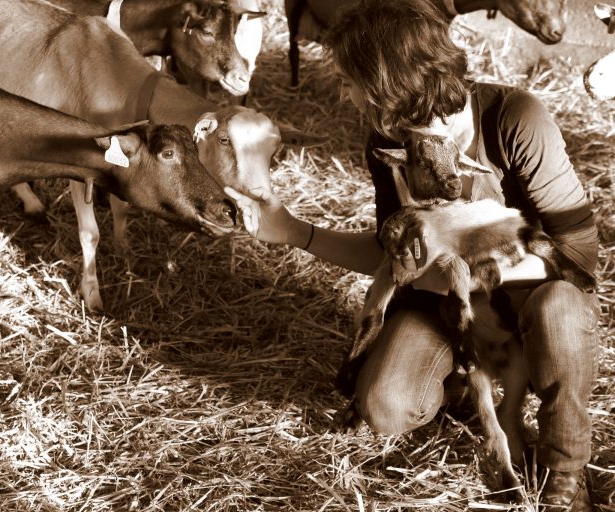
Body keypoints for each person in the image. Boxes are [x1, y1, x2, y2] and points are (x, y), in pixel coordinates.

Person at [225, 0, 600, 510]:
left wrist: (469, 258)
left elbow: (580, 254)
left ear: (389, 84)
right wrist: (295, 231)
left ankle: (565, 474)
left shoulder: (515, 117)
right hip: (445, 307)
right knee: (385, 406)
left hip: (535, 295)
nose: (349, 95)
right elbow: (394, 252)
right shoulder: (386, 140)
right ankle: (467, 389)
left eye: (353, 81)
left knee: (561, 309)